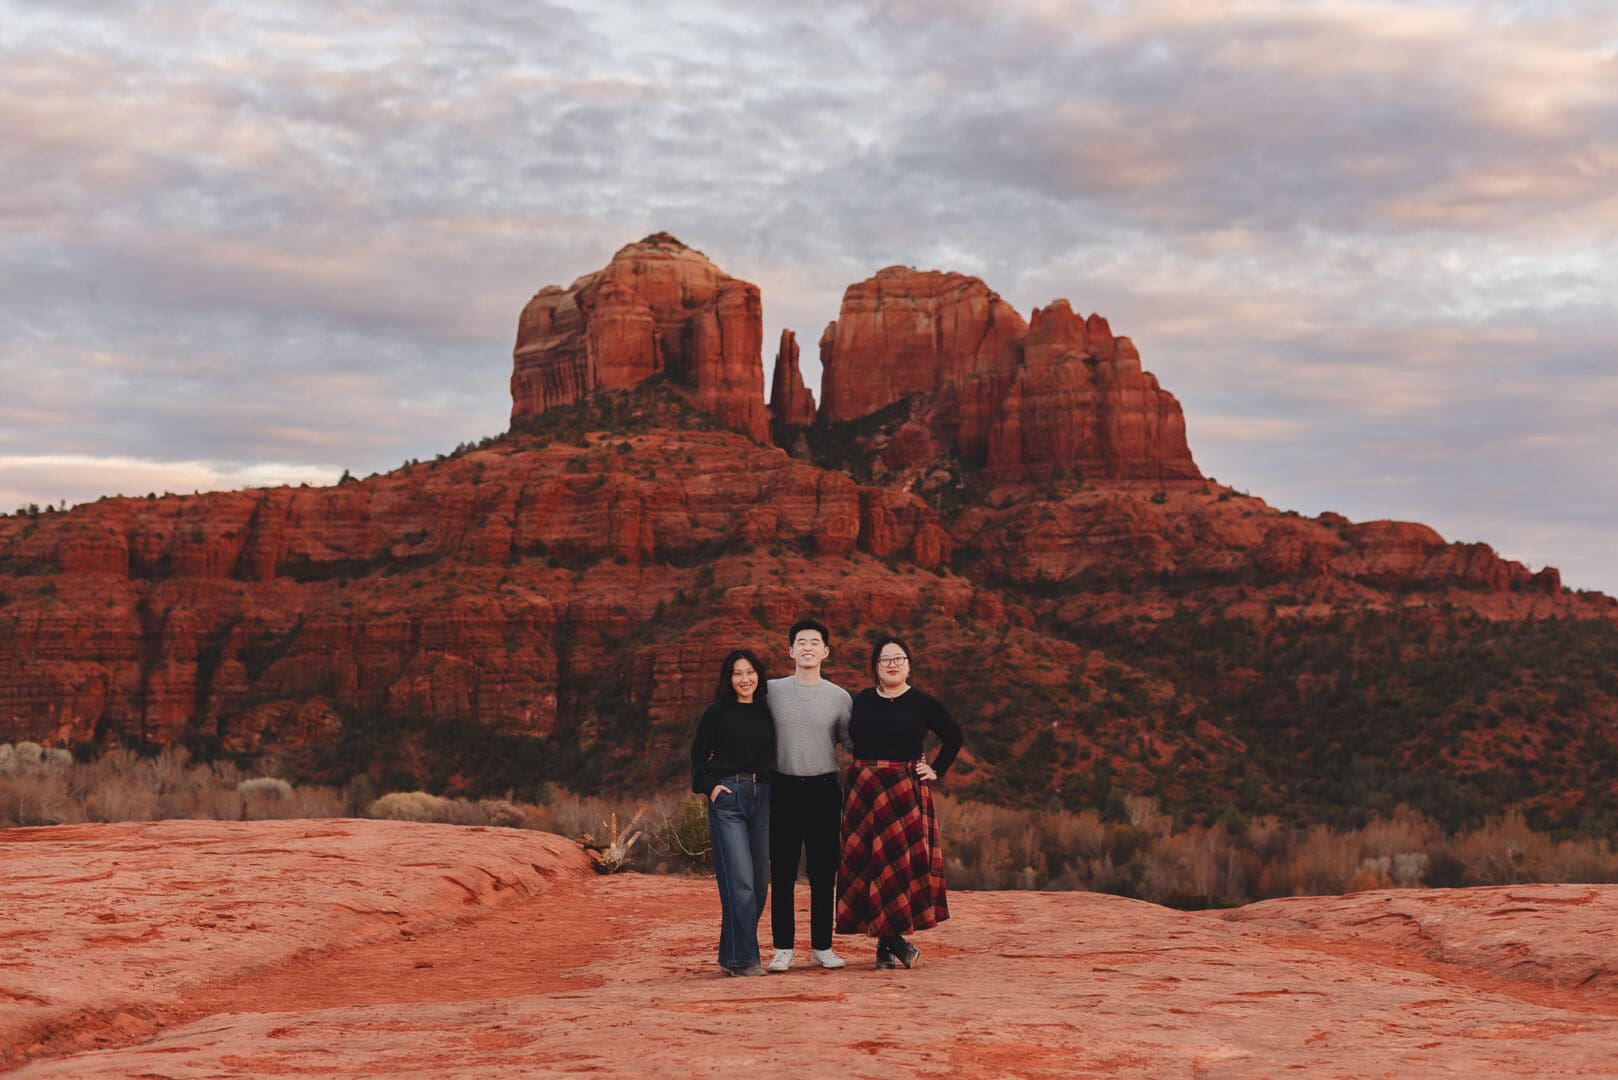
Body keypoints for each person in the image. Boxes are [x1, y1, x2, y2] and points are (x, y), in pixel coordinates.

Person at [835, 635, 963, 969]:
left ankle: (887, 947)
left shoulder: (922, 702)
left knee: (895, 865)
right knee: (869, 866)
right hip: (864, 789)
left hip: (905, 790)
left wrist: (936, 769)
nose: (892, 664)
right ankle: (891, 945)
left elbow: (954, 736)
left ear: (908, 665)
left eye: (899, 659)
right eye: (885, 660)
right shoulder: (861, 700)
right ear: (875, 668)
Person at [765, 618, 854, 973]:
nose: (807, 647)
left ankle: (822, 947)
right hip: (782, 788)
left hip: (823, 790)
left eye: (814, 642)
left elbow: (852, 743)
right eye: (801, 642)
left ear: (825, 652)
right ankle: (783, 948)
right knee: (782, 872)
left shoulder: (839, 697)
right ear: (790, 650)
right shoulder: (770, 690)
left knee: (822, 872)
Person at [690, 649, 775, 977]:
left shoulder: (766, 712)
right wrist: (709, 786)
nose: (745, 679)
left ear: (758, 675)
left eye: (750, 672)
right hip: (728, 799)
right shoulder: (716, 713)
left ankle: (731, 955)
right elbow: (697, 756)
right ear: (729, 678)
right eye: (737, 673)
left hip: (762, 797)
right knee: (739, 883)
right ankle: (745, 961)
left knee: (759, 885)